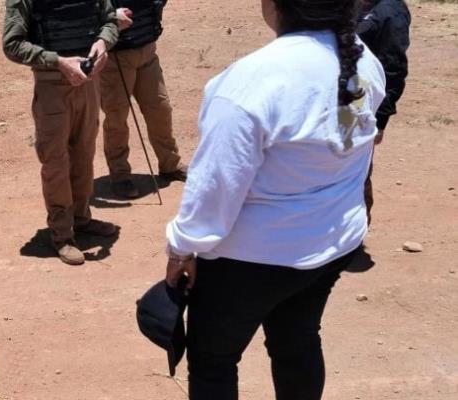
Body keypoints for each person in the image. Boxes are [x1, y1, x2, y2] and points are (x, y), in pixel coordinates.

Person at [162, 0, 385, 398]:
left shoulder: (252, 81)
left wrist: (183, 248)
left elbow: (216, 187)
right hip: (331, 245)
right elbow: (347, 144)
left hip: (251, 260)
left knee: (213, 359)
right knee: (297, 342)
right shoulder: (361, 59)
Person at [3, 0, 120, 265]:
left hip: (89, 82)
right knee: (56, 161)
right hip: (52, 85)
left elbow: (111, 20)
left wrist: (103, 42)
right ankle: (62, 234)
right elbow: (12, 44)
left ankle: (80, 219)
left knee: (84, 154)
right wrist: (57, 61)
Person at [101, 0, 187, 199]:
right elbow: (84, 9)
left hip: (147, 50)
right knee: (117, 118)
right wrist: (111, 16)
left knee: (160, 109)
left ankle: (170, 165)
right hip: (117, 57)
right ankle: (120, 175)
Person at [357, 0, 411, 224]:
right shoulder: (353, 5)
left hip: (361, 102)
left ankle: (355, 234)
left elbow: (393, 67)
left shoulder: (390, 10)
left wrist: (380, 119)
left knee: (355, 169)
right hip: (338, 96)